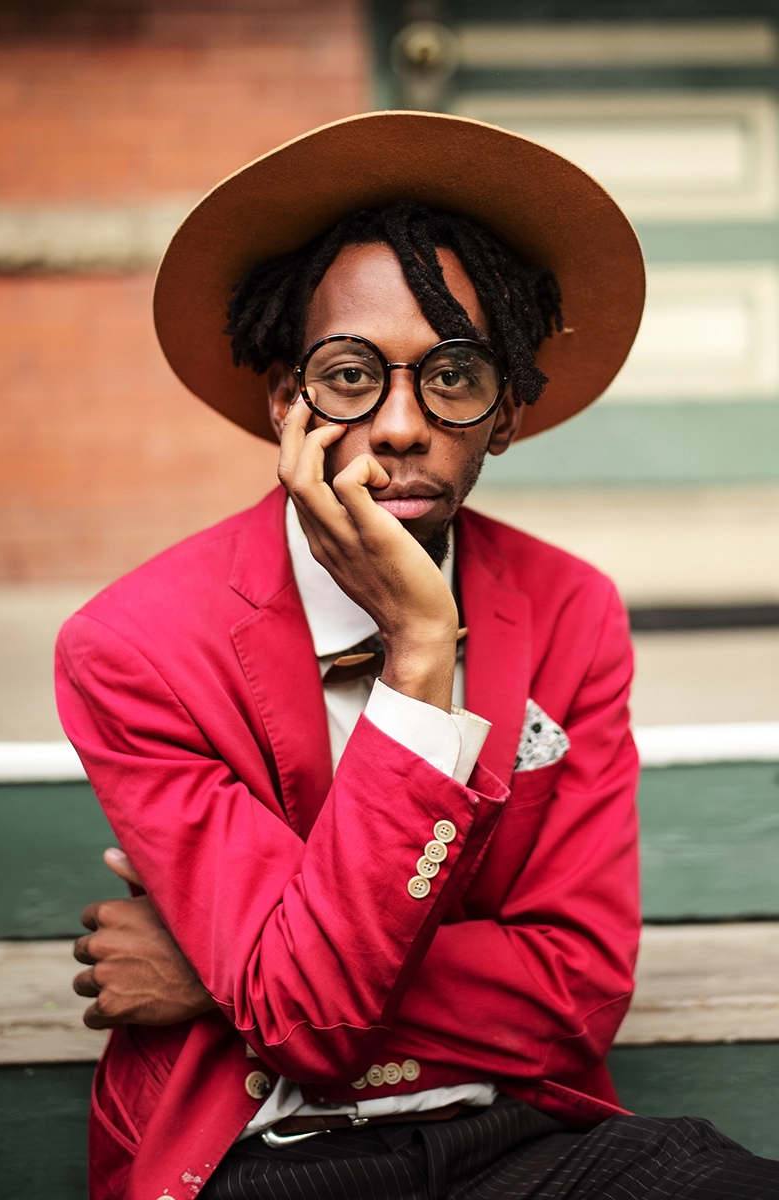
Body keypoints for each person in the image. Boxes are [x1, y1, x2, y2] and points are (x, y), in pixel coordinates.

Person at [56, 112, 779, 1200]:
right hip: (263, 1154)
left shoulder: (566, 609)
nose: (399, 424)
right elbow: (302, 1030)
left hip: (521, 1139)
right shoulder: (134, 648)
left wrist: (224, 980)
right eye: (351, 375)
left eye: (449, 376)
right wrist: (417, 662)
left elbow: (574, 990)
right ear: (286, 401)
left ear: (504, 415)